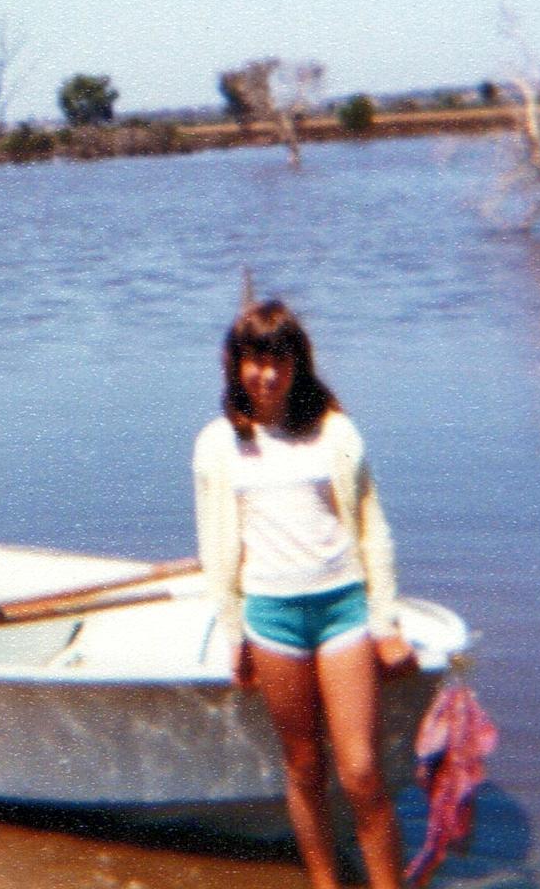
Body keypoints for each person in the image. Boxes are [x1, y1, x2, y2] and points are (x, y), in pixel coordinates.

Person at [193, 300, 415, 889]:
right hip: (272, 616)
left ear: (298, 365)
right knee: (304, 766)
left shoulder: (335, 430)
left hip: (343, 607)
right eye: (253, 362)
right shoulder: (218, 444)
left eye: (278, 361)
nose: (265, 375)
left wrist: (385, 621)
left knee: (362, 770)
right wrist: (235, 633)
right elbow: (218, 551)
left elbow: (373, 528)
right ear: (235, 367)